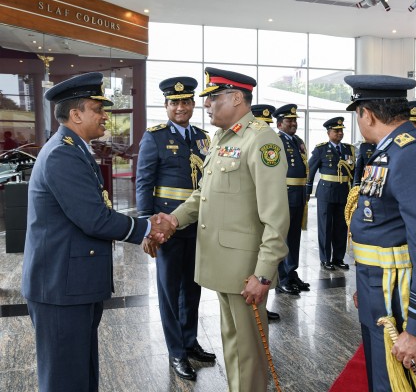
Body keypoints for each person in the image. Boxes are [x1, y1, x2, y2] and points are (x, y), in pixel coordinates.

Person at [21, 72, 174, 392]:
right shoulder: (63, 153)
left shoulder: (74, 149)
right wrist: (148, 227)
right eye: (98, 109)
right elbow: (94, 219)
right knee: (66, 380)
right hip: (60, 286)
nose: (105, 115)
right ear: (76, 114)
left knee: (81, 373)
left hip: (71, 282)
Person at [158, 67, 289, 392]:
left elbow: (276, 216)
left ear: (236, 98)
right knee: (234, 346)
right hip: (225, 265)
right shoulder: (222, 138)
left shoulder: (261, 139)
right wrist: (174, 220)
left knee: (248, 352)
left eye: (213, 97)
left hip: (246, 271)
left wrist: (263, 274)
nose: (206, 104)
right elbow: (203, 194)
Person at [343, 74, 416, 392]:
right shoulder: (389, 150)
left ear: (367, 114)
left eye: (358, 115)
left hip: (398, 294)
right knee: (380, 380)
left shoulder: (412, 154)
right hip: (379, 287)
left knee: (396, 385)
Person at [136, 76, 216, 381]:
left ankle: (190, 341)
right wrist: (148, 226)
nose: (180, 107)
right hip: (165, 227)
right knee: (169, 291)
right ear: (166, 106)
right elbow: (144, 182)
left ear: (193, 104)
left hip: (197, 224)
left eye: (185, 102)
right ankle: (176, 352)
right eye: (174, 103)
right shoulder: (155, 137)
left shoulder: (203, 138)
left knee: (192, 287)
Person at [272, 103, 311, 295]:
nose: (293, 123)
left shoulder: (297, 141)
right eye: (289, 120)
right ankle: (281, 278)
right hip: (285, 194)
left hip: (298, 194)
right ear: (279, 124)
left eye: (294, 120)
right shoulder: (276, 141)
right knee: (282, 237)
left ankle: (291, 272)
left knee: (294, 236)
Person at [307, 117, 354, 271]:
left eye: (341, 130)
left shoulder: (348, 149)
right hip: (326, 193)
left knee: (341, 227)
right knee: (326, 227)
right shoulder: (321, 149)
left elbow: (353, 172)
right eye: (336, 131)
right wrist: (307, 191)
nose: (340, 133)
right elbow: (310, 170)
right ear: (328, 133)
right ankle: (325, 259)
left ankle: (338, 258)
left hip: (343, 192)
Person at [250, 103, 282, 321]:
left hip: (269, 211)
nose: (265, 128)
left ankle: (264, 303)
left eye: (268, 124)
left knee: (270, 255)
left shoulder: (269, 143)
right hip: (253, 214)